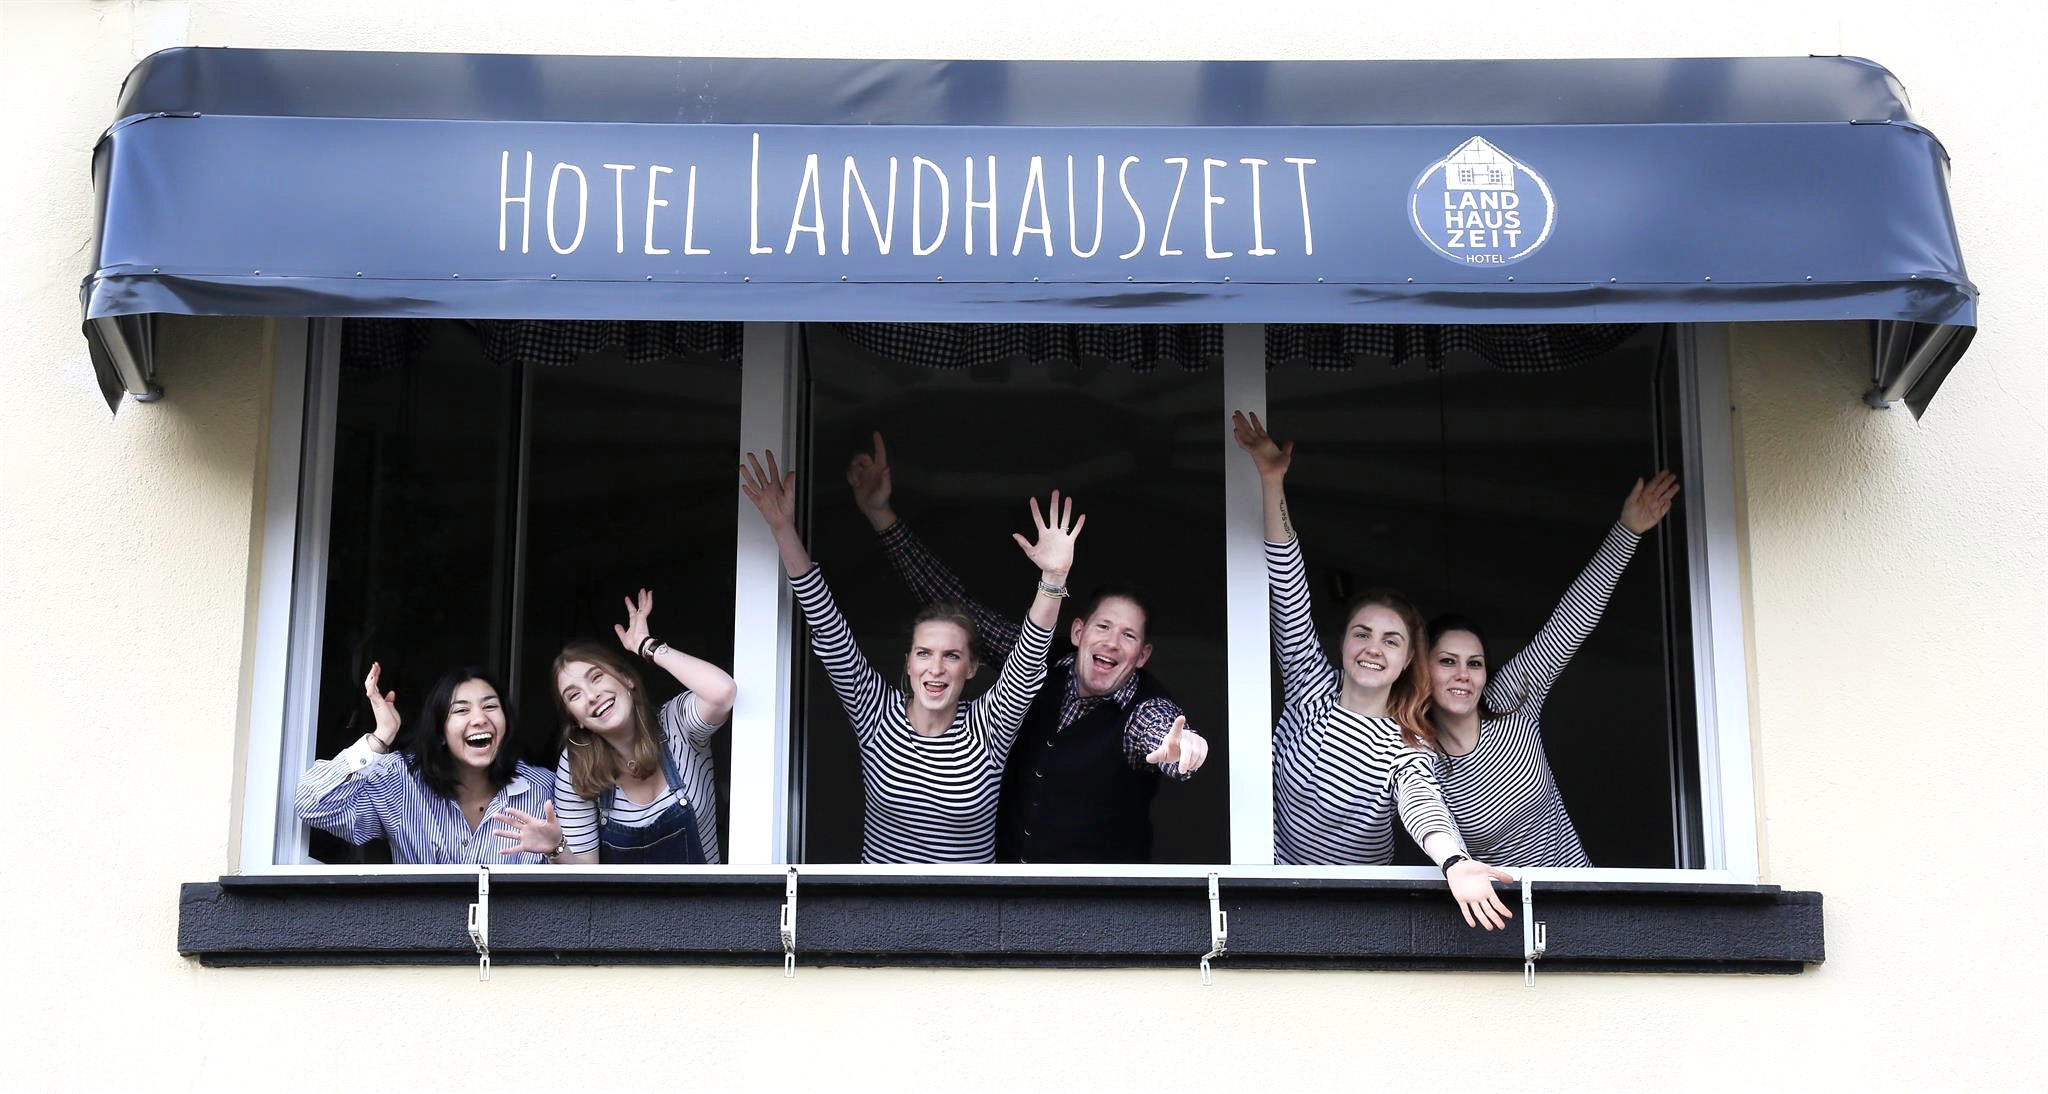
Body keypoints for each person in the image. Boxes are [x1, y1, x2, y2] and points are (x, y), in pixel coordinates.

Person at [845, 432, 1207, 864]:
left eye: (1128, 636)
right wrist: (881, 515)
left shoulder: (1144, 708)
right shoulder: (1039, 660)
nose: (1112, 642)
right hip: (1009, 891)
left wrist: (1183, 748)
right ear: (1078, 632)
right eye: (1103, 627)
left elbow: (1161, 730)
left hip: (1099, 901)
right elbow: (953, 611)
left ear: (1142, 655)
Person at [1233, 409, 1514, 931]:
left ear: (1408, 661)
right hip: (1275, 899)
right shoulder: (1309, 687)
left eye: (1391, 640)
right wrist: (1272, 480)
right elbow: (1286, 581)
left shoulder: (1408, 743)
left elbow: (1423, 806)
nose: (1372, 649)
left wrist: (1455, 861)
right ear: (1343, 642)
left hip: (1357, 915)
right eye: (1362, 633)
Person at [741, 448, 1077, 864]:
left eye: (951, 656)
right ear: (908, 661)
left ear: (972, 667)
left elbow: (1028, 658)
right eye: (924, 653)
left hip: (968, 906)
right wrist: (781, 528)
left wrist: (1053, 577)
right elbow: (828, 627)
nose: (936, 669)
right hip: (881, 904)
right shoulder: (876, 715)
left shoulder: (988, 726)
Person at [1428, 471, 1681, 868]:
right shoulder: (1418, 754)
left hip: (1578, 890)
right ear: (1422, 672)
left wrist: (1627, 531)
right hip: (1501, 902)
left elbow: (1569, 624)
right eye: (1447, 661)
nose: (1463, 673)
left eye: (1474, 663)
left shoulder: (1509, 701)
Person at [526, 588, 738, 865]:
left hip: (705, 895)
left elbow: (722, 692)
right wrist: (556, 849)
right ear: (575, 718)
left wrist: (646, 645)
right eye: (574, 695)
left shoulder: (676, 723)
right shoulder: (577, 762)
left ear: (627, 680)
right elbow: (584, 874)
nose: (591, 695)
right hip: (622, 898)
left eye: (596, 677)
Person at [296, 663, 565, 865]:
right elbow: (313, 805)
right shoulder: (402, 780)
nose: (480, 719)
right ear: (440, 732)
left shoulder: (542, 789)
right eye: (461, 710)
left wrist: (557, 848)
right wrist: (381, 737)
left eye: (490, 707)